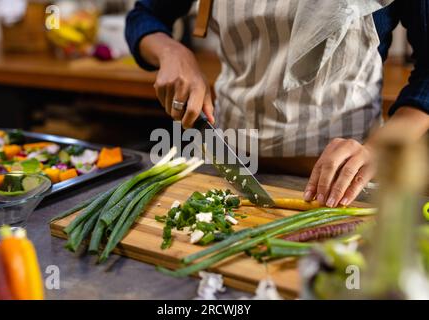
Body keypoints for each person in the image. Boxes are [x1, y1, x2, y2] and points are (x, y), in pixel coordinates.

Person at [125, 0, 429, 207]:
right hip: (230, 165)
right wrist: (171, 52)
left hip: (342, 184)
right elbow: (144, 16)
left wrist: (378, 148)